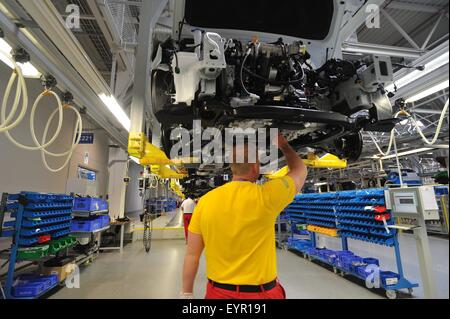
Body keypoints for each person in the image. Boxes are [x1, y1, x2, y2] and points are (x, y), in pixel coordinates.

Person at [181, 134, 307, 299]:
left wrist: (186, 293)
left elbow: (192, 255)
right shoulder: (267, 196)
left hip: (218, 293)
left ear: (232, 168)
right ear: (255, 167)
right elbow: (300, 171)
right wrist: (284, 145)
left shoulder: (204, 202)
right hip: (262, 294)